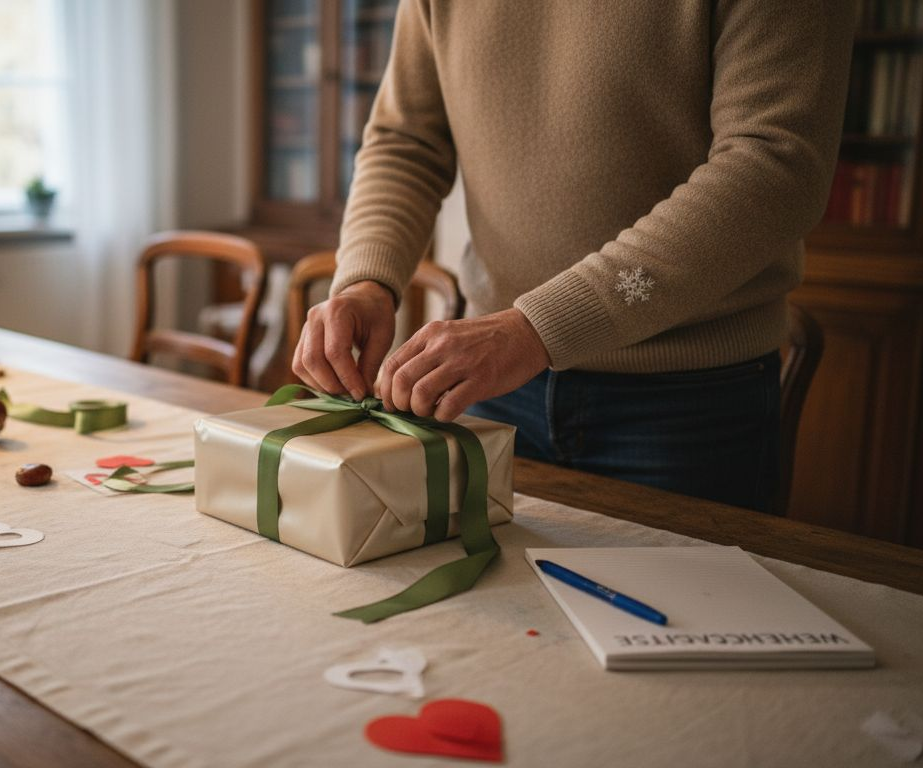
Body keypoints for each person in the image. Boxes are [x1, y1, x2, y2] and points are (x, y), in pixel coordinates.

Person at [292, 1, 854, 513]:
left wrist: (539, 328)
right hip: (489, 390)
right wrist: (368, 280)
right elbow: (406, 142)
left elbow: (776, 167)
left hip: (684, 403)